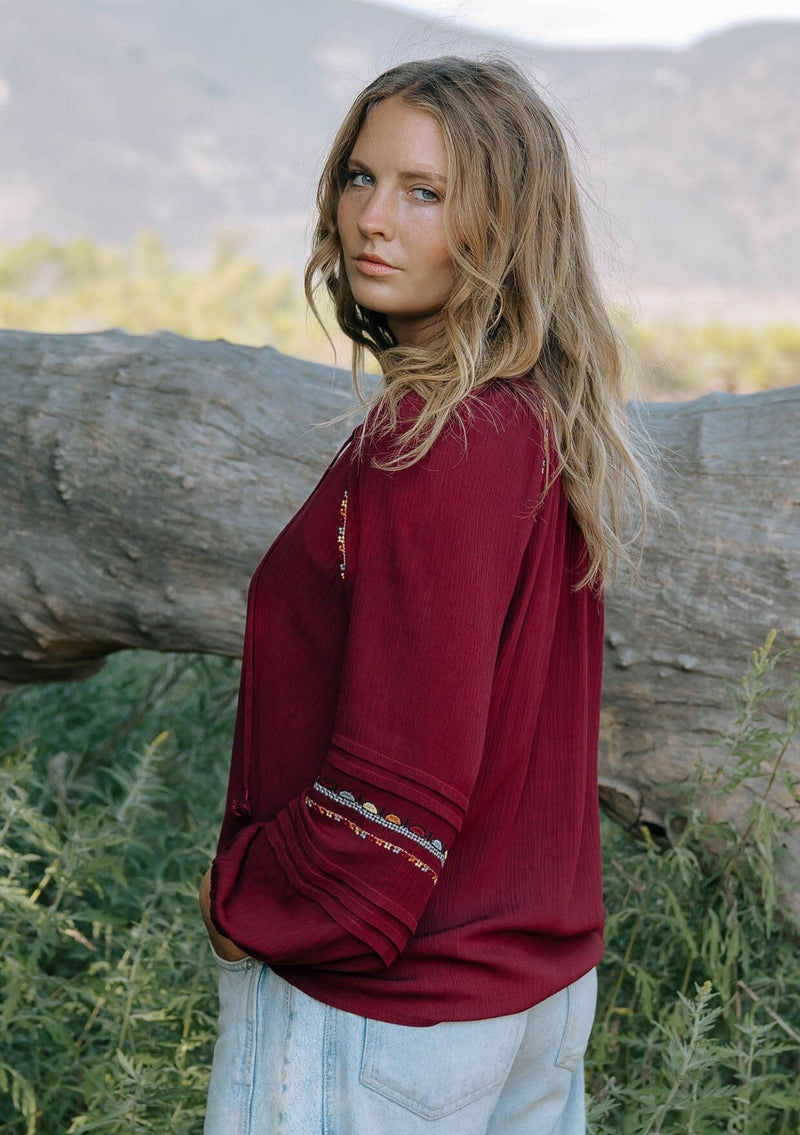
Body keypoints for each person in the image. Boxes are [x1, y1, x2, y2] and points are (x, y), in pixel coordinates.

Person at [198, 54, 655, 1134]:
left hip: (383, 1013)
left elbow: (396, 788)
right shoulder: (530, 417)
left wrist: (249, 906)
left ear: (502, 226)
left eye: (425, 193)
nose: (371, 219)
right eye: (360, 178)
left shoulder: (433, 440)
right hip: (527, 1003)